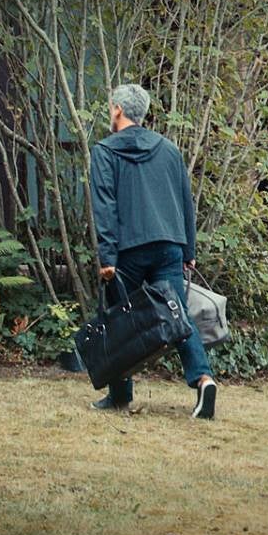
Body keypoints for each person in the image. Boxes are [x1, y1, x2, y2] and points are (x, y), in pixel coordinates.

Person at [90, 83, 217, 419]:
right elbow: (186, 203)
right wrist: (188, 248)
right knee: (178, 315)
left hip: (129, 248)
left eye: (110, 106)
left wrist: (107, 258)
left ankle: (120, 396)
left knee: (122, 320)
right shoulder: (169, 150)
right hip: (168, 245)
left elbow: (105, 207)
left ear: (118, 109)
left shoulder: (104, 152)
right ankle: (203, 380)